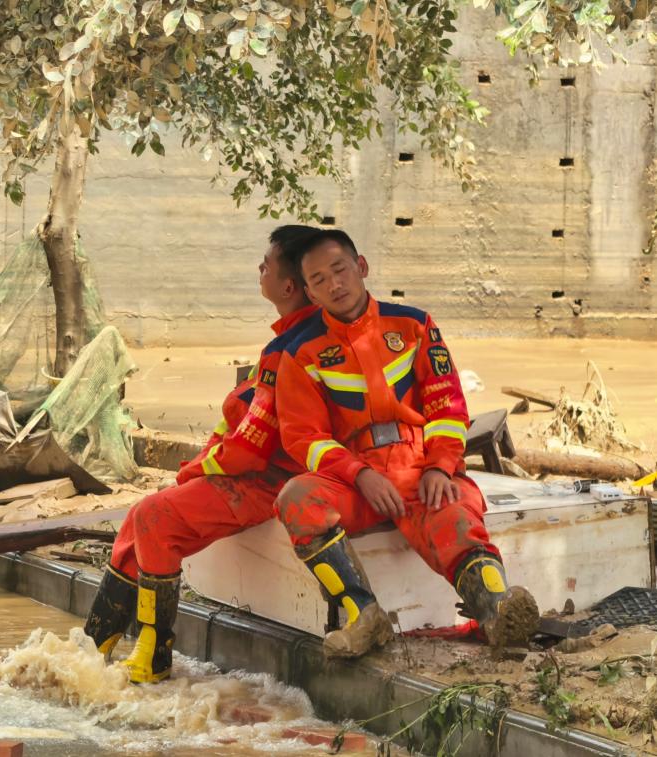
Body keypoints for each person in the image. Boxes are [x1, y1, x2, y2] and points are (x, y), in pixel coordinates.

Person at [273, 229, 539, 658]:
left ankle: (498, 612)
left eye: (340, 270)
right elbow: (304, 437)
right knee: (296, 499)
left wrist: (440, 466)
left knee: (455, 516)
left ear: (361, 267)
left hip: (418, 468)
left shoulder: (414, 325)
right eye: (319, 280)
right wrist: (359, 474)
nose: (334, 284)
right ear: (309, 292)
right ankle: (364, 617)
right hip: (356, 480)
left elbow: (447, 405)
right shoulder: (300, 352)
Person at [83, 225, 321, 683]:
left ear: (289, 286)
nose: (259, 269)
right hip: (256, 472)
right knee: (136, 521)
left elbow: (250, 449)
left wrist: (195, 470)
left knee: (154, 517)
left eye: (266, 265)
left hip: (269, 481)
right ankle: (93, 647)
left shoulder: (290, 349)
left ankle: (153, 655)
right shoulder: (289, 338)